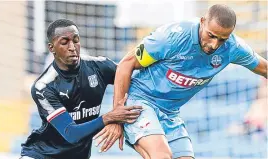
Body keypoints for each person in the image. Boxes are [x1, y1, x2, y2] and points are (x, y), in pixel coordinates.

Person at [93, 4, 268, 159]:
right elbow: (126, 64)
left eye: (222, 39)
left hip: (170, 113)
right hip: (139, 102)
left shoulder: (234, 48)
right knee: (161, 155)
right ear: (202, 22)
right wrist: (117, 114)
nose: (215, 45)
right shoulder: (173, 37)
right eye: (211, 35)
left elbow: (265, 69)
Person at [20, 19, 142, 159]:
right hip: (42, 155)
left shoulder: (99, 66)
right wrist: (110, 117)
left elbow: (134, 82)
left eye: (76, 40)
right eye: (64, 42)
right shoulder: (44, 87)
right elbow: (71, 133)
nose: (72, 46)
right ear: (51, 48)